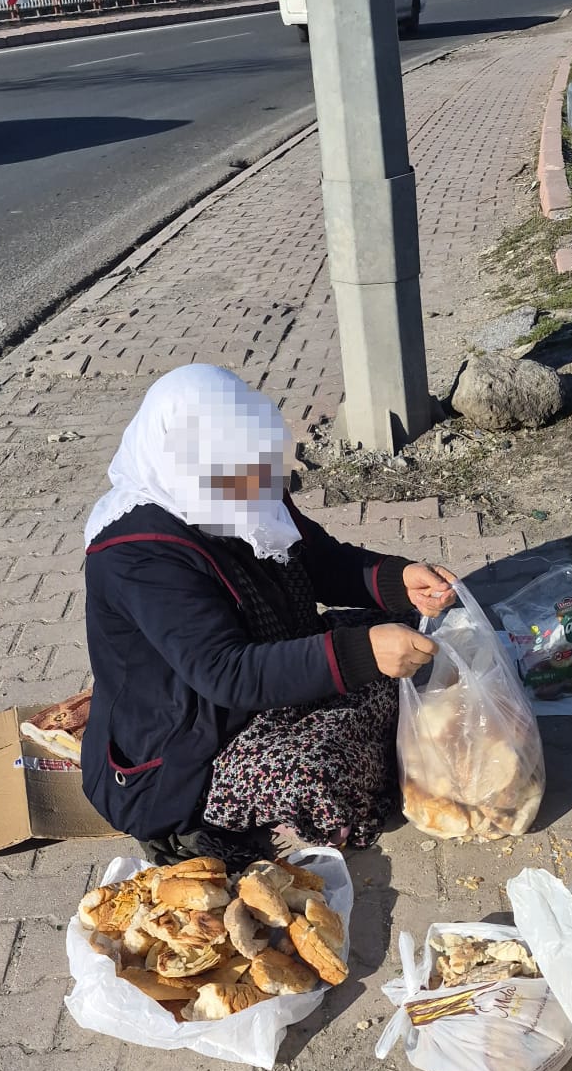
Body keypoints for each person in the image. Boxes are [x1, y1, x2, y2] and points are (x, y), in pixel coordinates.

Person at [81, 364, 456, 864]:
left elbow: (316, 558)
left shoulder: (243, 482)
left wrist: (397, 579)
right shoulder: (139, 553)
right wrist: (363, 654)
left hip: (265, 672)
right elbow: (226, 671)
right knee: (323, 772)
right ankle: (191, 828)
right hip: (190, 736)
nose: (255, 478)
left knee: (414, 639)